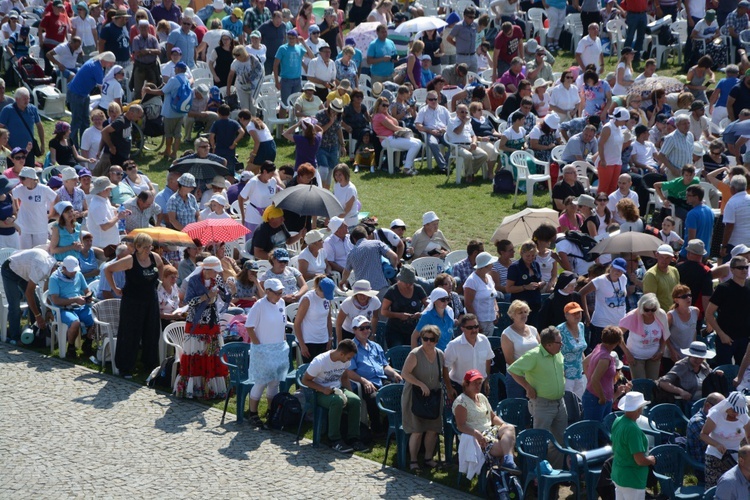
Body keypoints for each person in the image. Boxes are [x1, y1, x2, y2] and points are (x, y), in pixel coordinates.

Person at [173, 255, 233, 399]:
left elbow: (225, 297)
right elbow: (189, 302)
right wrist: (207, 296)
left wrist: (231, 291)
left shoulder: (217, 279)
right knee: (196, 353)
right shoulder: (194, 280)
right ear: (206, 270)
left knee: (212, 352)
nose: (217, 274)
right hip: (196, 321)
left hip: (212, 321)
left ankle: (213, 387)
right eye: (215, 271)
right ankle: (195, 387)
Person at [105, 233, 164, 378]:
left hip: (150, 300)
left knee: (151, 332)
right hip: (132, 301)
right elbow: (108, 270)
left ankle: (148, 364)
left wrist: (158, 283)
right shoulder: (130, 260)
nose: (148, 250)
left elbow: (161, 266)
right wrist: (115, 288)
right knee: (130, 334)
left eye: (150, 247)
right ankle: (125, 367)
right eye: (145, 247)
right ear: (137, 247)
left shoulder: (154, 257)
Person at [508, 326, 568, 458]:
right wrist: (527, 387)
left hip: (560, 403)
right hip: (542, 404)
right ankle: (535, 474)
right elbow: (513, 370)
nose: (562, 345)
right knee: (539, 440)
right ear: (548, 344)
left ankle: (555, 473)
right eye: (559, 342)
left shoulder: (557, 353)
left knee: (560, 440)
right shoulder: (533, 355)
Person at [303, 339, 367, 453]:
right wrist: (322, 389)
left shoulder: (345, 361)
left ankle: (353, 438)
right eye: (348, 357)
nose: (349, 360)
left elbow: (344, 377)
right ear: (341, 354)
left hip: (337, 389)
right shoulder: (319, 361)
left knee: (356, 400)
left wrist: (350, 393)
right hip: (318, 392)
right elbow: (305, 380)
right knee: (336, 401)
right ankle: (334, 439)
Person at [243, 277, 291, 428]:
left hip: (278, 348)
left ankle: (271, 411)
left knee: (274, 382)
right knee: (261, 382)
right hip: (263, 349)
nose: (279, 296)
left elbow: (282, 325)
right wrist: (259, 345)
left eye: (281, 293)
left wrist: (283, 342)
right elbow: (249, 327)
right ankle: (253, 413)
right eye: (276, 293)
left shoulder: (281, 303)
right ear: (267, 292)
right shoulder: (259, 305)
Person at [453, 369, 518, 475]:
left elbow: (492, 417)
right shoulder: (461, 402)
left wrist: (503, 425)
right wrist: (476, 433)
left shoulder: (482, 397)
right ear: (466, 384)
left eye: (479, 383)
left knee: (509, 427)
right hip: (478, 436)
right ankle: (506, 468)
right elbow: (461, 425)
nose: (478, 386)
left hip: (491, 430)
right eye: (474, 384)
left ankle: (507, 462)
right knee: (507, 448)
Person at [400, 324, 445, 471]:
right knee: (417, 430)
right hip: (415, 396)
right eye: (425, 339)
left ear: (436, 340)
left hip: (433, 397)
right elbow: (405, 374)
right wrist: (420, 384)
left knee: (432, 429)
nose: (428, 342)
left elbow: (444, 375)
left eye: (431, 339)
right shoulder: (415, 354)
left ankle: (428, 458)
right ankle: (413, 460)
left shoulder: (440, 354)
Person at [1, 248, 57, 345]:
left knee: (35, 300)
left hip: (23, 270)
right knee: (14, 305)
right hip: (9, 269)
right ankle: (16, 337)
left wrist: (48, 309)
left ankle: (36, 332)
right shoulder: (41, 269)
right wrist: (38, 316)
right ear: (54, 270)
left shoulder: (53, 265)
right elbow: (28, 293)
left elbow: (46, 291)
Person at [705, 255, 750, 366]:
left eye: (746, 267)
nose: (744, 270)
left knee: (743, 375)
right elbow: (709, 314)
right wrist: (721, 334)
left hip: (745, 339)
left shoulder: (749, 285)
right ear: (732, 270)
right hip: (726, 339)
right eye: (740, 268)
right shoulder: (723, 288)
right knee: (723, 373)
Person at [610, 392, 657, 498]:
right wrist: (652, 460)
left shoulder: (618, 420)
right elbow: (640, 460)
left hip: (618, 474)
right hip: (632, 479)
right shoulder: (633, 429)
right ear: (639, 409)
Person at [701, 391, 750, 487]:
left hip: (735, 456)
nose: (736, 414)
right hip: (715, 456)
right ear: (728, 405)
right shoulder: (716, 414)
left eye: (738, 412)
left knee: (735, 486)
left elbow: (748, 436)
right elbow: (703, 434)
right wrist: (717, 444)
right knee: (714, 487)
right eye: (733, 410)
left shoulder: (744, 417)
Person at [619, 293, 671, 380]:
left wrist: (661, 350)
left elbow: (665, 334)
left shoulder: (661, 314)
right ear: (641, 307)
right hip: (636, 357)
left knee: (652, 384)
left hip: (654, 356)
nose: (650, 312)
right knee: (640, 385)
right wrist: (627, 353)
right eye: (647, 310)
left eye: (653, 309)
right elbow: (617, 334)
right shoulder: (632, 316)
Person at [579, 258, 628, 350]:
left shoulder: (623, 278)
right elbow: (581, 293)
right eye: (616, 268)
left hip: (619, 323)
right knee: (599, 353)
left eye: (621, 270)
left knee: (617, 355)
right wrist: (586, 314)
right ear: (611, 267)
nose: (618, 272)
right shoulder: (600, 280)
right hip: (601, 324)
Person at [444, 313, 494, 399]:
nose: (474, 330)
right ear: (462, 328)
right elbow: (445, 367)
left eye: (476, 326)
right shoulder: (454, 345)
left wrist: (486, 380)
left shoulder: (484, 340)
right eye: (470, 328)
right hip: (460, 388)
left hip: (479, 387)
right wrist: (449, 388)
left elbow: (488, 360)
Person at [501, 300, 540, 399]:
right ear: (512, 315)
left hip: (534, 375)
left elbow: (541, 350)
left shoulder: (533, 330)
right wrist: (524, 375)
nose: (524, 315)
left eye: (525, 312)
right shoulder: (507, 334)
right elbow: (509, 360)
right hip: (516, 378)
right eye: (520, 312)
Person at [381, 265, 427, 348]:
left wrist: (420, 314)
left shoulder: (418, 289)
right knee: (397, 351)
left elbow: (428, 305)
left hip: (413, 329)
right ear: (399, 280)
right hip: (395, 330)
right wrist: (399, 315)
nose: (409, 285)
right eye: (406, 283)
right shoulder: (392, 291)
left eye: (411, 283)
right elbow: (384, 311)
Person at [294, 275, 335, 363]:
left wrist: (330, 337)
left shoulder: (327, 298)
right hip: (309, 341)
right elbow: (297, 323)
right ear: (319, 289)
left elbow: (328, 318)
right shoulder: (307, 299)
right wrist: (302, 345)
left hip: (323, 339)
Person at [0, 88, 45, 167]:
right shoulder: (7, 110)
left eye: (28, 98)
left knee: (28, 175)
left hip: (29, 151)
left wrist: (43, 144)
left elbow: (39, 126)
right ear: (17, 99)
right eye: (24, 99)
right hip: (12, 151)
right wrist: (7, 147)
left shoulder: (32, 109)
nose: (27, 101)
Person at [13, 166, 56, 249]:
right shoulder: (19, 189)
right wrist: (17, 210)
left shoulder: (44, 189)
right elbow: (12, 196)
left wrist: (51, 214)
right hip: (24, 228)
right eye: (20, 178)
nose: (21, 181)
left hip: (40, 227)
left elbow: (56, 199)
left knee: (39, 253)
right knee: (25, 253)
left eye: (23, 178)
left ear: (31, 178)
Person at [506, 241, 545, 327]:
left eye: (533, 256)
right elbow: (508, 288)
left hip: (535, 305)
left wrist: (540, 284)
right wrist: (525, 287)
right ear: (522, 253)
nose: (530, 258)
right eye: (528, 256)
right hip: (520, 307)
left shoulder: (536, 265)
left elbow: (540, 279)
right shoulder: (515, 267)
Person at [463, 251, 499, 335]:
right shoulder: (471, 281)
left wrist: (496, 311)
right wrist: (476, 323)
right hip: (479, 321)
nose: (492, 265)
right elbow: (468, 304)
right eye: (491, 264)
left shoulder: (489, 277)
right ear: (484, 266)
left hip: (490, 320)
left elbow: (493, 296)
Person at [597, 107, 629, 195]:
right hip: (607, 162)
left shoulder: (619, 128)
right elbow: (600, 144)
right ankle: (600, 207)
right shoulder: (607, 127)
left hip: (617, 162)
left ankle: (610, 207)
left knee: (613, 187)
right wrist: (603, 160)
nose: (625, 122)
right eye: (625, 120)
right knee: (604, 187)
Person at [643, 244, 681, 311]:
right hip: (659, 316)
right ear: (656, 255)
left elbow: (678, 293)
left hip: (674, 314)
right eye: (662, 257)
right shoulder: (651, 275)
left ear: (672, 258)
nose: (664, 260)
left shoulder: (674, 271)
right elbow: (650, 301)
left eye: (667, 258)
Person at [721, 175, 750, 261]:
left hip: (735, 245)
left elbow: (729, 226)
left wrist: (724, 246)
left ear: (732, 188)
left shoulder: (732, 203)